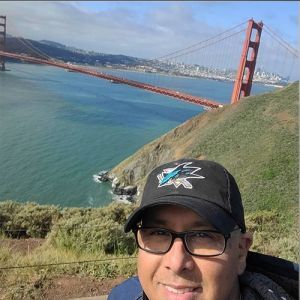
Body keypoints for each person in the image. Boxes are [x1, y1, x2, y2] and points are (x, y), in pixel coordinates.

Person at [108, 159, 298, 300]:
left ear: (241, 252)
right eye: (158, 233)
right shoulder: (122, 296)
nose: (176, 263)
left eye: (202, 235)